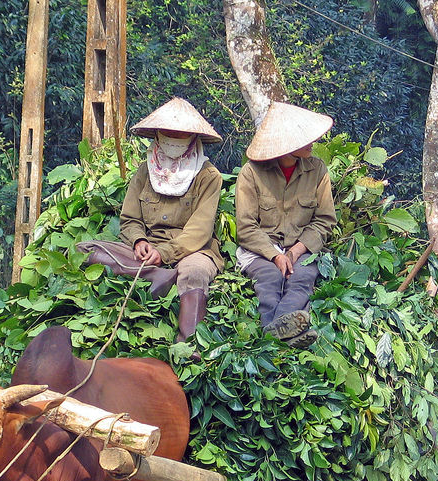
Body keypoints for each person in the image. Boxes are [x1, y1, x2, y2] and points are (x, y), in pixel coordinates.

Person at [77, 98, 223, 345]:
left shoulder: (209, 176)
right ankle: (157, 275)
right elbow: (130, 219)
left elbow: (199, 231)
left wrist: (164, 253)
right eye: (168, 133)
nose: (174, 138)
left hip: (192, 250)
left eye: (180, 134)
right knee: (86, 250)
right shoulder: (145, 171)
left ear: (192, 138)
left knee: (195, 273)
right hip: (148, 250)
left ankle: (188, 346)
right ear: (157, 136)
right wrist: (139, 241)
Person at [234, 101, 337, 349]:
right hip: (261, 250)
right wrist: (275, 256)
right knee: (270, 278)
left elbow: (324, 220)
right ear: (287, 145)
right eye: (305, 139)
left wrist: (295, 251)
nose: (313, 142)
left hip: (301, 248)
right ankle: (282, 336)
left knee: (302, 277)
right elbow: (246, 227)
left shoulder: (317, 170)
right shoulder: (251, 173)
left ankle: (275, 331)